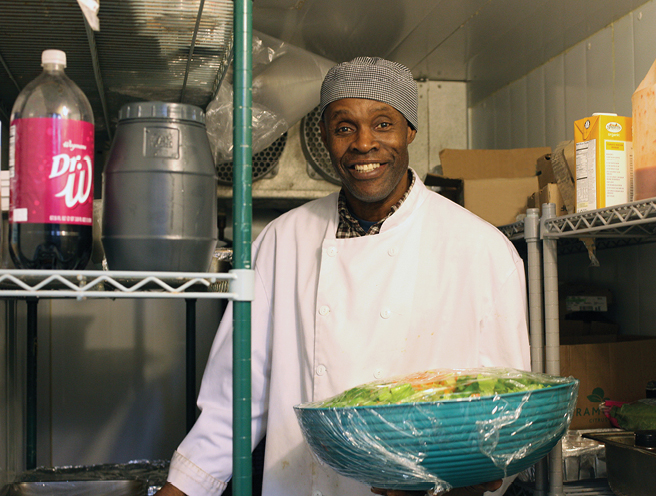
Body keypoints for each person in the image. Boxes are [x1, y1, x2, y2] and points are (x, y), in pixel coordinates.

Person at [157, 56, 531, 496]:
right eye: (344, 127)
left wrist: (449, 484)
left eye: (383, 124)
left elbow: (507, 418)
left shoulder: (482, 251)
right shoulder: (282, 241)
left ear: (410, 130)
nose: (363, 144)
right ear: (325, 136)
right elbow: (233, 405)